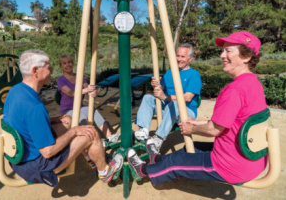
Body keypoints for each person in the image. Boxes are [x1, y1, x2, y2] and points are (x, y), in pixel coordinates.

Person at [128, 31, 267, 186]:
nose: (222, 55)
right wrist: (199, 123)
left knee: (176, 161)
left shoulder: (235, 89)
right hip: (248, 157)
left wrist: (190, 129)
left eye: (228, 51)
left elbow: (213, 130)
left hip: (231, 166)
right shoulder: (253, 83)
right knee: (194, 147)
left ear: (246, 57)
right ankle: (158, 159)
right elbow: (230, 121)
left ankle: (143, 170)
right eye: (223, 51)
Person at [3, 50, 123, 187]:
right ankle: (105, 171)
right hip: (37, 166)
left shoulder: (16, 90)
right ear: (35, 71)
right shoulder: (35, 107)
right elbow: (48, 152)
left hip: (20, 157)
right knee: (91, 132)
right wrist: (74, 132)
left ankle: (92, 156)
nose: (52, 72)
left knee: (67, 121)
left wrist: (49, 120)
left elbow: (24, 120)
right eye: (49, 68)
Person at [134, 43, 202, 150]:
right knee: (148, 97)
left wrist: (165, 97)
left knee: (175, 103)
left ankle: (159, 138)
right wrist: (156, 86)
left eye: (183, 57)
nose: (179, 59)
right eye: (177, 56)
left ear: (190, 58)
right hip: (168, 108)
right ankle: (143, 130)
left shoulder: (194, 74)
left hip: (186, 111)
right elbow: (161, 88)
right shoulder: (170, 72)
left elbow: (188, 97)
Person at [57, 54, 118, 140]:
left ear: (73, 63)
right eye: (64, 63)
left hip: (80, 107)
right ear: (61, 66)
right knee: (81, 116)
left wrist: (92, 92)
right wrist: (85, 90)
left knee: (93, 111)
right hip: (67, 109)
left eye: (69, 62)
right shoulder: (60, 80)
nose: (68, 65)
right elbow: (70, 92)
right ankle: (92, 142)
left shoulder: (79, 76)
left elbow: (87, 88)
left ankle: (110, 137)